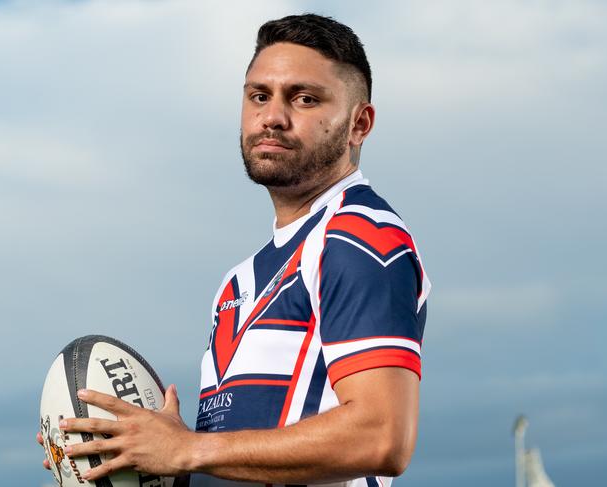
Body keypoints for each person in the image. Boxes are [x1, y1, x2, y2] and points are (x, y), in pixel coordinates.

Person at [37, 13, 431, 487]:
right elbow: (229, 460)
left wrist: (187, 448)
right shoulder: (239, 281)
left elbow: (382, 436)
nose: (272, 117)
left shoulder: (360, 236)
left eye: (304, 99)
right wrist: (125, 451)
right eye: (259, 96)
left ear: (359, 124)